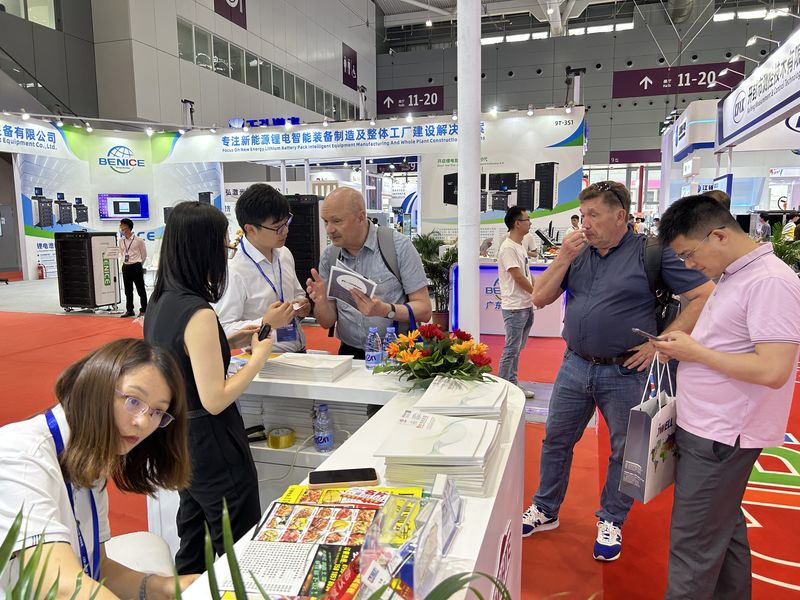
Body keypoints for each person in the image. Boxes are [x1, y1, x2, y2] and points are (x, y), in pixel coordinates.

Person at [521, 180, 713, 561]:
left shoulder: (651, 252)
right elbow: (538, 297)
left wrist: (661, 342)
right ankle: (545, 507)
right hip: (575, 365)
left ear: (620, 216)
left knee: (626, 452)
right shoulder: (578, 252)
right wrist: (562, 257)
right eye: (583, 215)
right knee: (556, 440)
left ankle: (611, 518)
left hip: (627, 371)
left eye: (593, 215)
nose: (585, 224)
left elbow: (703, 295)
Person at [652, 195, 800, 599]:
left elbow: (773, 370)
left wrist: (694, 353)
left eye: (688, 254)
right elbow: (730, 343)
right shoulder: (737, 274)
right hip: (708, 426)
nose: (688, 265)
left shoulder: (769, 281)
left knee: (692, 547)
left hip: (723, 434)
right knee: (721, 531)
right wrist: (687, 347)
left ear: (718, 236)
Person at [0, 339, 197, 597]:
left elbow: (98, 567)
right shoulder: (20, 454)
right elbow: (59, 585)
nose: (143, 422)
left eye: (157, 412)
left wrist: (168, 588)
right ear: (96, 384)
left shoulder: (89, 458)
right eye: (133, 401)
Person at [144, 201, 275, 574]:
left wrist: (229, 341)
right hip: (213, 441)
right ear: (204, 249)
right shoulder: (198, 312)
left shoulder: (161, 301)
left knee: (194, 537)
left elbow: (180, 356)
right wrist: (258, 357)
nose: (226, 253)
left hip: (180, 437)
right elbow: (215, 398)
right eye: (223, 245)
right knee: (238, 546)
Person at [306, 188, 431, 358]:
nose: (329, 229)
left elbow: (424, 310)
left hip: (396, 354)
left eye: (336, 221)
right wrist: (321, 302)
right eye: (325, 221)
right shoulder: (330, 256)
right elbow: (327, 321)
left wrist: (386, 310)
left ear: (360, 217)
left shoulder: (397, 247)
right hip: (350, 354)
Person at [215, 184, 309, 353]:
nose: (286, 231)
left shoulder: (284, 253)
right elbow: (224, 328)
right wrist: (266, 323)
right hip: (264, 359)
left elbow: (297, 293)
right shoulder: (234, 270)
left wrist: (302, 305)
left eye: (286, 222)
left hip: (299, 352)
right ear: (250, 229)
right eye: (277, 227)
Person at [497, 206, 535, 399]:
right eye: (527, 219)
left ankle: (512, 384)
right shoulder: (508, 248)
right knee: (511, 349)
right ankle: (503, 387)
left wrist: (536, 291)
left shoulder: (520, 246)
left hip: (525, 305)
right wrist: (536, 293)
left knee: (517, 349)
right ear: (517, 223)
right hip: (515, 307)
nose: (530, 223)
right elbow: (518, 277)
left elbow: (527, 274)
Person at [118, 218, 148, 317]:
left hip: (136, 266)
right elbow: (122, 253)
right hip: (126, 266)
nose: (121, 227)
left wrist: (139, 264)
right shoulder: (121, 240)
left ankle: (144, 310)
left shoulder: (139, 240)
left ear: (127, 227)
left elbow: (144, 255)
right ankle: (130, 310)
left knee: (140, 289)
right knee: (128, 290)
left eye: (122, 225)